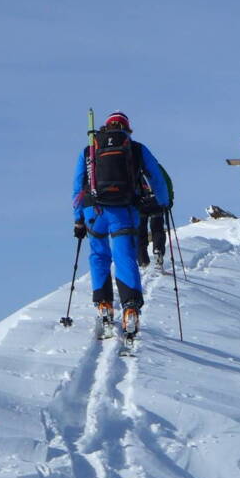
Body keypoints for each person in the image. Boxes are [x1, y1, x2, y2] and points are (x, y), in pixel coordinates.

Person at [73, 111, 171, 340]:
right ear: (127, 129)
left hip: (94, 211)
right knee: (124, 255)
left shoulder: (89, 150)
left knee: (98, 255)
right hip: (124, 210)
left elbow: (78, 186)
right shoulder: (136, 149)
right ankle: (129, 308)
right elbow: (155, 176)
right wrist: (163, 203)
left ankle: (104, 305)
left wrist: (78, 218)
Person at [136, 164, 173, 268]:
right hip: (156, 201)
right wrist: (169, 199)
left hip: (139, 203)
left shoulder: (131, 165)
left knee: (140, 230)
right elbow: (167, 181)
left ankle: (142, 257)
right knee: (157, 228)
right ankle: (158, 250)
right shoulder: (154, 165)